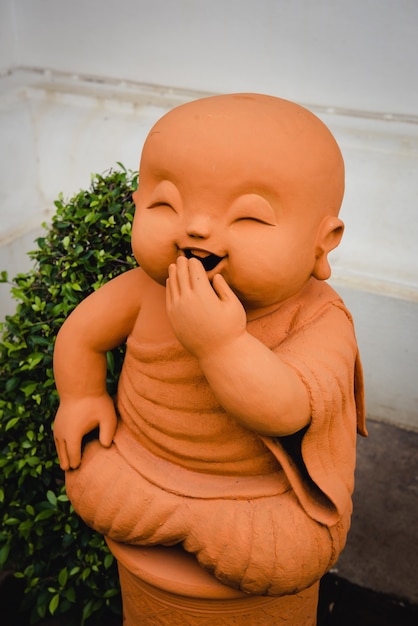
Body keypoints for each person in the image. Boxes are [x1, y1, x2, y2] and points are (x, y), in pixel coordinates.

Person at [53, 93, 366, 597]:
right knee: (92, 480)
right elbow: (82, 334)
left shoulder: (319, 319)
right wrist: (82, 397)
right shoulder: (144, 289)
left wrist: (219, 345)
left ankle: (211, 526)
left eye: (249, 218)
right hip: (144, 467)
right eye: (165, 204)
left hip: (259, 494)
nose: (195, 226)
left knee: (286, 553)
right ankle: (178, 515)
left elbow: (286, 412)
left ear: (322, 242)